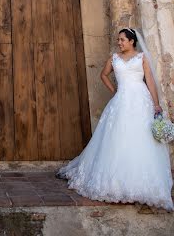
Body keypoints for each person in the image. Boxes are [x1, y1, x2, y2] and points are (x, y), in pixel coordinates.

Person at [57, 28, 173, 210]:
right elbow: (103, 74)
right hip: (121, 101)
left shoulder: (141, 57)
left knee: (140, 140)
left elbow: (149, 80)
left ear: (132, 41)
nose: (119, 43)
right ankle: (115, 185)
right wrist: (114, 90)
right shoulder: (114, 58)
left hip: (140, 101)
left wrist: (156, 104)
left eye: (122, 40)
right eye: (118, 40)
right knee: (117, 139)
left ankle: (139, 185)